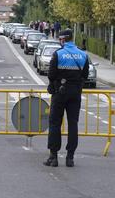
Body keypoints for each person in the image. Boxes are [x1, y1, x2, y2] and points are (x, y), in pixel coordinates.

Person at [44, 29, 89, 167]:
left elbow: (51, 74)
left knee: (55, 123)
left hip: (60, 93)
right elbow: (85, 76)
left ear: (63, 39)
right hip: (75, 93)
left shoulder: (58, 54)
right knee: (73, 124)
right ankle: (70, 157)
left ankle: (53, 157)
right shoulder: (83, 55)